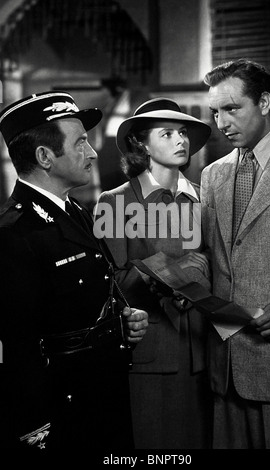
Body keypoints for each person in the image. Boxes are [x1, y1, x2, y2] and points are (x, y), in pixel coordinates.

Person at [0, 91, 148, 459]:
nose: (93, 152)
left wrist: (121, 324)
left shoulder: (76, 212)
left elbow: (88, 294)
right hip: (62, 411)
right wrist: (34, 428)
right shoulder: (14, 232)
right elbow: (17, 344)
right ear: (44, 157)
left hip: (102, 393)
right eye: (80, 142)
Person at [94, 97, 213, 449]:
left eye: (183, 133)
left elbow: (217, 267)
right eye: (167, 134)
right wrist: (171, 274)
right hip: (149, 353)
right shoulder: (114, 202)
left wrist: (202, 271)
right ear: (142, 144)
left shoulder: (204, 200)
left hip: (201, 353)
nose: (181, 141)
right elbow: (109, 283)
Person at [200, 58, 270, 449]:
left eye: (232, 108)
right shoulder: (212, 174)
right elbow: (214, 255)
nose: (221, 122)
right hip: (225, 366)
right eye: (215, 112)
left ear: (266, 102)